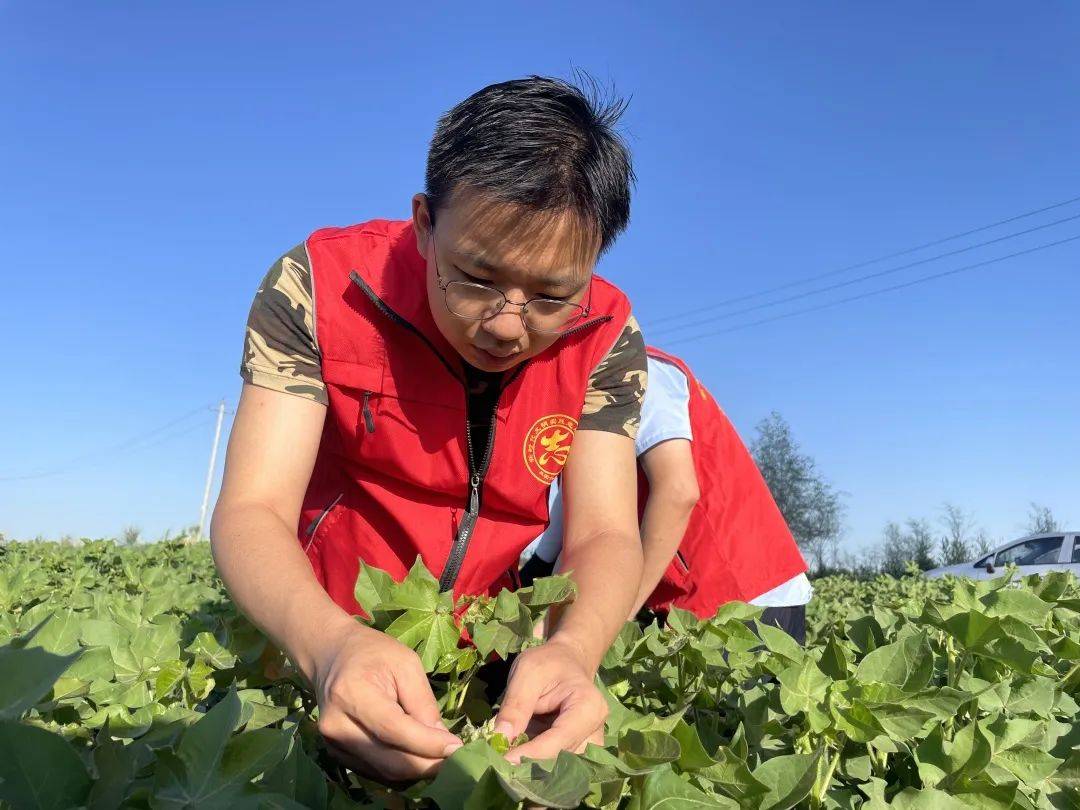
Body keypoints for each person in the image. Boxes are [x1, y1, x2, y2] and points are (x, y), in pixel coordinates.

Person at [210, 77, 649, 781]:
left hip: (486, 658)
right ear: (423, 223)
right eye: (475, 277)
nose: (507, 325)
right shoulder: (317, 287)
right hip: (314, 634)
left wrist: (574, 651)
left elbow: (604, 532)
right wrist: (328, 647)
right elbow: (252, 508)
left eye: (551, 295)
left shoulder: (608, 337)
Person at [521, 346, 811, 642]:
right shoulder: (579, 399)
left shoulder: (633, 370)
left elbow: (678, 492)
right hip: (692, 602)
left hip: (743, 597)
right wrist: (522, 587)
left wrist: (615, 614)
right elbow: (569, 516)